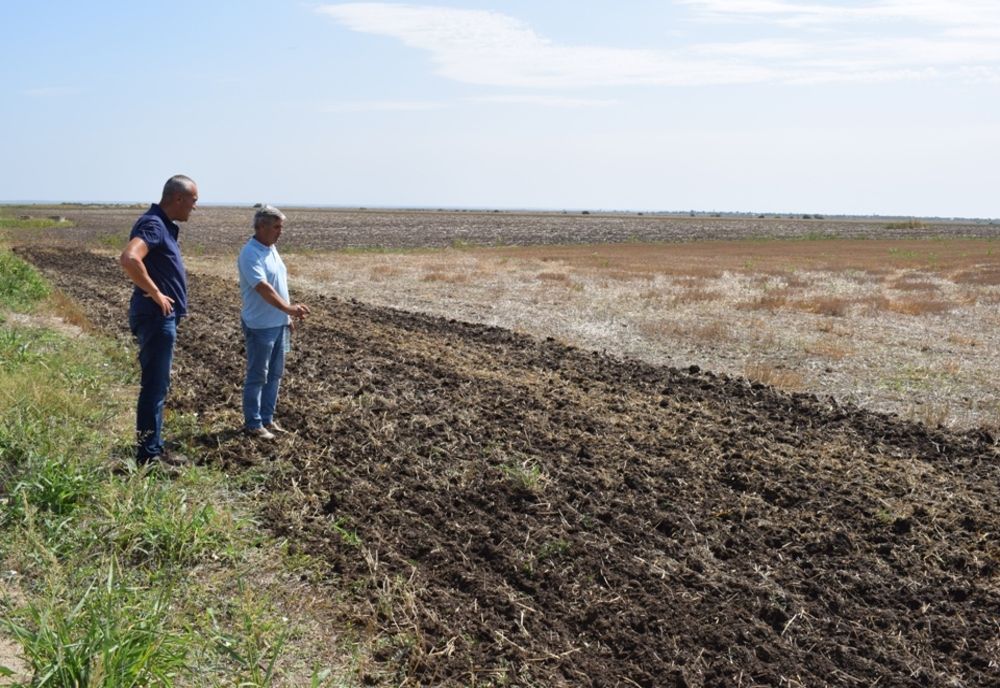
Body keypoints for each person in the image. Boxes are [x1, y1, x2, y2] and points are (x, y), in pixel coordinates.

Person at [119, 174, 198, 465]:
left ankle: (154, 447)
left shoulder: (162, 225)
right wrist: (156, 293)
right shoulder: (153, 224)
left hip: (158, 317)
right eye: (193, 201)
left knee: (158, 385)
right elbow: (129, 258)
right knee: (154, 386)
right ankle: (148, 456)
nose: (194, 207)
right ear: (178, 198)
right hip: (155, 316)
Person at [238, 204, 310, 439]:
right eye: (276, 227)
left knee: (275, 375)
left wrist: (286, 316)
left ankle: (267, 419)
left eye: (281, 227)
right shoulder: (250, 253)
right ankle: (253, 423)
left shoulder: (271, 249)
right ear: (260, 227)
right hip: (260, 326)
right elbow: (263, 288)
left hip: (278, 324)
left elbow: (280, 284)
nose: (280, 232)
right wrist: (288, 308)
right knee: (258, 374)